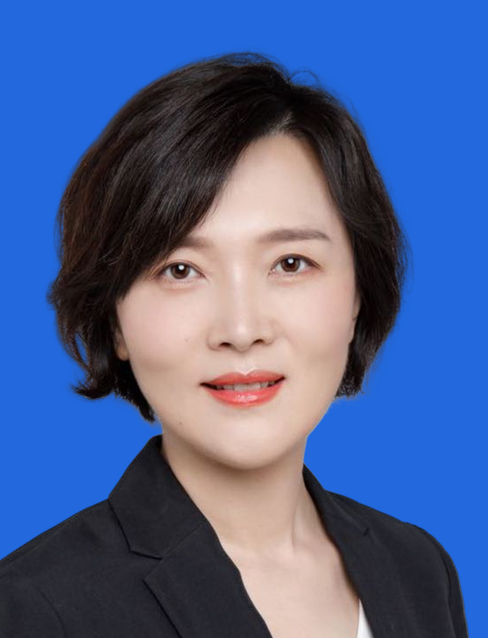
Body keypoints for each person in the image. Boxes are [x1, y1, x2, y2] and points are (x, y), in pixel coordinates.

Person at [0, 51, 469, 637]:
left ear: (358, 294)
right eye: (180, 270)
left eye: (291, 263)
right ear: (114, 321)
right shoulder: (36, 608)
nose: (242, 330)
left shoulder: (419, 569)